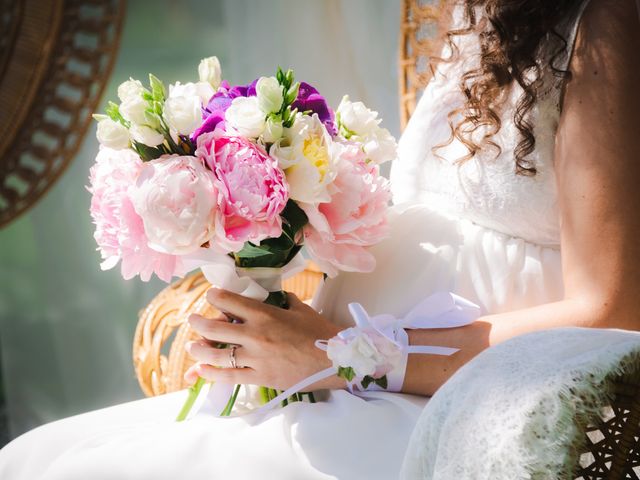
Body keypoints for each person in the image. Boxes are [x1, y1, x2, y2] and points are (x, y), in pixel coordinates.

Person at [1, 0, 639, 478]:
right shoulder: (486, 14)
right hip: (341, 376)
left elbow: (612, 311)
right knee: (37, 456)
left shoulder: (605, 25)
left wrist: (344, 355)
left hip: (455, 405)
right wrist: (250, 270)